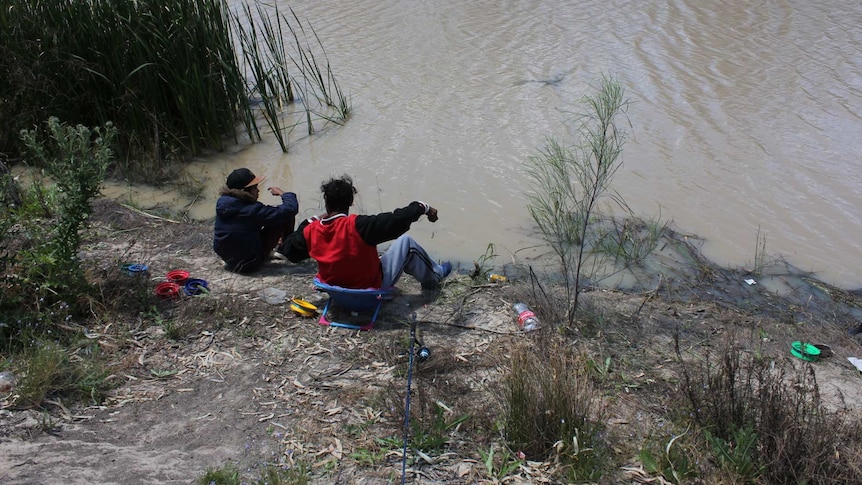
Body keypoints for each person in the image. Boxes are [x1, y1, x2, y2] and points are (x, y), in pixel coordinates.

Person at [282, 174, 451, 289]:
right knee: (407, 243)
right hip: (368, 286)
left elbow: (290, 251)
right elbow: (398, 219)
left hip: (335, 288)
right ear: (351, 201)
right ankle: (435, 275)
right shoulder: (358, 225)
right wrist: (423, 206)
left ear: (326, 203)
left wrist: (313, 219)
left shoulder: (312, 229)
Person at [213, 168, 298, 273]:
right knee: (285, 216)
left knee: (272, 216)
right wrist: (284, 194)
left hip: (228, 259)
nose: (258, 190)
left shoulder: (223, 202)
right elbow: (291, 209)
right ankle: (286, 251)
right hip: (248, 263)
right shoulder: (251, 210)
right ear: (245, 191)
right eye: (255, 187)